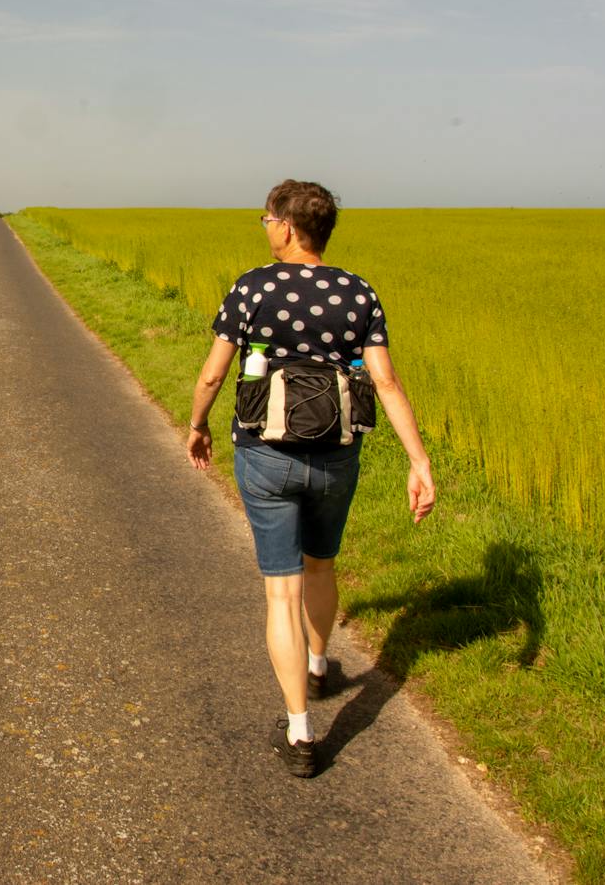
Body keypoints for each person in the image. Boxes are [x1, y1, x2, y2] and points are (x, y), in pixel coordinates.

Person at [185, 179, 435, 778]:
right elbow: (387, 382)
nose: (266, 227)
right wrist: (418, 460)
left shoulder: (252, 287)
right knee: (321, 564)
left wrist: (197, 424)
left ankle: (300, 732)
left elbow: (215, 375)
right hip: (336, 456)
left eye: (268, 218)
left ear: (289, 227)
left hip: (266, 454)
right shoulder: (357, 291)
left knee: (281, 591)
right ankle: (320, 665)